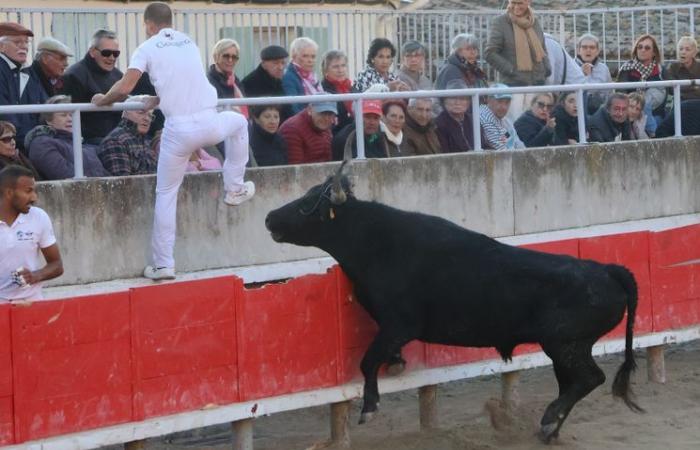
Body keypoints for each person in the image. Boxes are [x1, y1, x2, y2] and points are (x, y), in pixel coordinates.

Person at [92, 2, 256, 281]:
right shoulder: (189, 42)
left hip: (179, 130)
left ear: (148, 24)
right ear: (171, 21)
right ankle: (234, 187)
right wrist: (159, 98)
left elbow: (126, 86)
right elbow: (185, 81)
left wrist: (102, 99)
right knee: (240, 124)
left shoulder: (147, 47)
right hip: (209, 122)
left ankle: (164, 264)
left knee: (166, 194)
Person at [0, 165, 63, 302]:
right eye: (28, 191)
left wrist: (35, 276)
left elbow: (57, 265)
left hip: (32, 304)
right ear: (9, 193)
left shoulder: (39, 217)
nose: (34, 198)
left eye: (34, 191)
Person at [484, 0, 550, 120]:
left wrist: (547, 69)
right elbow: (490, 53)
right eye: (513, 2)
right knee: (514, 123)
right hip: (513, 85)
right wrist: (511, 70)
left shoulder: (534, 22)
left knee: (535, 124)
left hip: (537, 83)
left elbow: (542, 48)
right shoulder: (500, 22)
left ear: (528, 2)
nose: (516, 7)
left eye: (520, 3)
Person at [61, 29, 124, 144]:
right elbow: (69, 118)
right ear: (92, 52)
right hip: (89, 142)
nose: (112, 58)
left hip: (117, 139)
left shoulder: (118, 76)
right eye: (106, 53)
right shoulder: (74, 76)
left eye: (116, 54)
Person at [25, 95, 107, 180]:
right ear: (48, 120)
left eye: (72, 115)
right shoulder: (42, 144)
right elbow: (64, 175)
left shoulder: (87, 147)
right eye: (63, 115)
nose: (70, 119)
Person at [0, 22, 48, 154]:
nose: (24, 47)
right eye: (17, 42)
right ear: (1, 46)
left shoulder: (27, 71)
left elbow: (46, 105)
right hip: (12, 141)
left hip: (31, 139)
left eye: (26, 42)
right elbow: (5, 114)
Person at [617, 34, 666, 135]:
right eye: (640, 47)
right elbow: (620, 93)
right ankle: (654, 139)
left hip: (654, 113)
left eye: (647, 48)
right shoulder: (627, 69)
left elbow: (668, 93)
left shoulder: (661, 71)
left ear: (654, 53)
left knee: (656, 119)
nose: (643, 50)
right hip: (629, 112)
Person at [98, 95, 159, 176]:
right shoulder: (115, 141)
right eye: (141, 112)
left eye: (150, 115)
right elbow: (123, 183)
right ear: (126, 112)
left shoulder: (147, 142)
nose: (147, 119)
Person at [241, 44, 293, 122]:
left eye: (283, 63)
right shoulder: (252, 83)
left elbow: (286, 108)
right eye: (276, 63)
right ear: (264, 64)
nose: (281, 67)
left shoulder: (276, 79)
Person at [278, 100, 337, 164]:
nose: (327, 119)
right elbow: (295, 169)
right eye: (322, 113)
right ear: (310, 110)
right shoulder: (292, 129)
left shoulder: (324, 127)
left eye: (330, 114)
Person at [435, 79, 479, 152]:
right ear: (444, 101)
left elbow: (484, 145)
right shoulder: (439, 124)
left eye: (462, 98)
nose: (457, 102)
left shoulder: (473, 120)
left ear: (468, 103)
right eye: (452, 98)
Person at [207, 38, 247, 117]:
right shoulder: (208, 82)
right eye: (226, 56)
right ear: (216, 57)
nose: (230, 60)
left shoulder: (235, 81)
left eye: (234, 57)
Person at [479, 83, 525, 150]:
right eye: (499, 101)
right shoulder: (485, 118)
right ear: (489, 99)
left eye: (507, 102)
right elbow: (501, 152)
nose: (504, 107)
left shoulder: (504, 119)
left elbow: (517, 142)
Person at [283, 37, 323, 114]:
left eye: (313, 56)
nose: (310, 60)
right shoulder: (288, 77)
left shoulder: (313, 77)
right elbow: (293, 107)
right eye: (305, 56)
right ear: (294, 56)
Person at [575, 33, 613, 114]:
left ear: (597, 51)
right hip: (577, 110)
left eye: (592, 47)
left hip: (600, 111)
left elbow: (609, 93)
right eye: (584, 47)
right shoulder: (572, 67)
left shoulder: (603, 69)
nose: (588, 50)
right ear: (578, 50)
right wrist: (585, 76)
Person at [321, 49, 354, 135]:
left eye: (343, 65)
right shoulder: (323, 90)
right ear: (326, 70)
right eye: (335, 67)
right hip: (337, 134)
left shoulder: (351, 87)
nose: (340, 70)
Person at [664, 36, 700, 102]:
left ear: (694, 53)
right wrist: (694, 87)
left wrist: (682, 89)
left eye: (687, 49)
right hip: (680, 103)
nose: (683, 52)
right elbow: (672, 89)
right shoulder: (673, 67)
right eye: (681, 49)